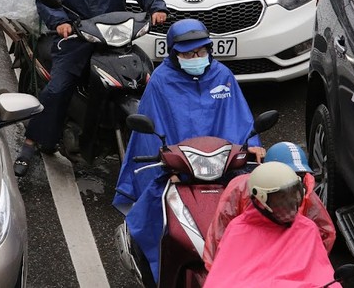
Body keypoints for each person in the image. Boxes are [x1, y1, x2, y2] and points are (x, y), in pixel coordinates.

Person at [13, 0, 168, 177]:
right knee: (58, 88)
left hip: (116, 38)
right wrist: (59, 21)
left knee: (149, 78)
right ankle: (31, 142)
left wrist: (156, 6)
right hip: (78, 38)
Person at [113, 18, 264, 284]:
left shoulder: (222, 76)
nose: (196, 57)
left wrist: (253, 146)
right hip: (177, 169)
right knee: (152, 220)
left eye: (200, 52)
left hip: (222, 165)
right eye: (188, 54)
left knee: (256, 216)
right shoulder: (161, 81)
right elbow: (152, 127)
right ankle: (153, 274)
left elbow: (240, 117)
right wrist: (166, 165)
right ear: (174, 54)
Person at [203, 141, 336, 270]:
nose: (294, 184)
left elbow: (324, 234)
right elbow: (219, 238)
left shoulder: (305, 190)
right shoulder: (239, 191)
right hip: (248, 263)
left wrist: (304, 265)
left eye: (299, 175)